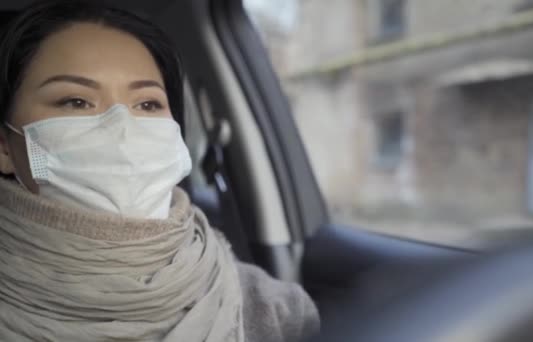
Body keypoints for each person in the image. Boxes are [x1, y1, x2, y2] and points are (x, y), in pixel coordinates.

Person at [0, 1, 319, 341]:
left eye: (148, 104)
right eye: (76, 101)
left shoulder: (274, 308)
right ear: (5, 147)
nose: (122, 128)